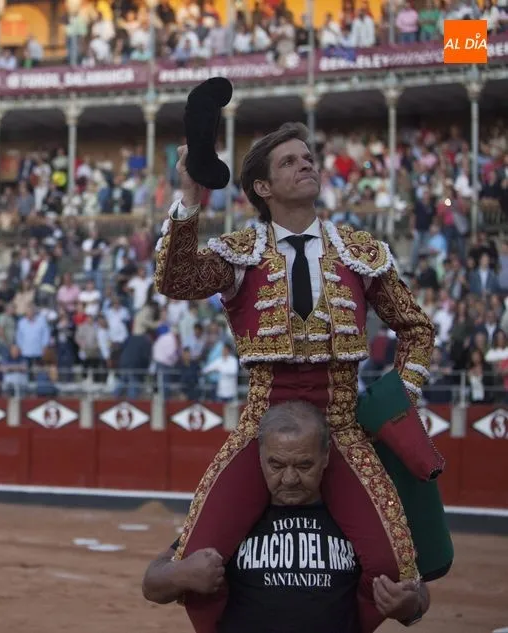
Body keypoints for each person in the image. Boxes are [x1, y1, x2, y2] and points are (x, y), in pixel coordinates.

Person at [154, 122, 448, 633]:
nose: (306, 164)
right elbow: (175, 279)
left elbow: (417, 329)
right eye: (289, 161)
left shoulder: (360, 250)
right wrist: (189, 196)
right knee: (198, 565)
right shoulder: (240, 251)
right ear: (262, 189)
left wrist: (400, 400)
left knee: (393, 573)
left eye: (307, 157)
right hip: (261, 425)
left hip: (341, 424)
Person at [142, 401, 431, 632]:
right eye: (276, 464)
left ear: (326, 456)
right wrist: (181, 573)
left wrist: (409, 606)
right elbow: (152, 583)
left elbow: (417, 589)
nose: (290, 479)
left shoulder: (354, 517)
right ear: (259, 457)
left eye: (304, 464)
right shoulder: (234, 517)